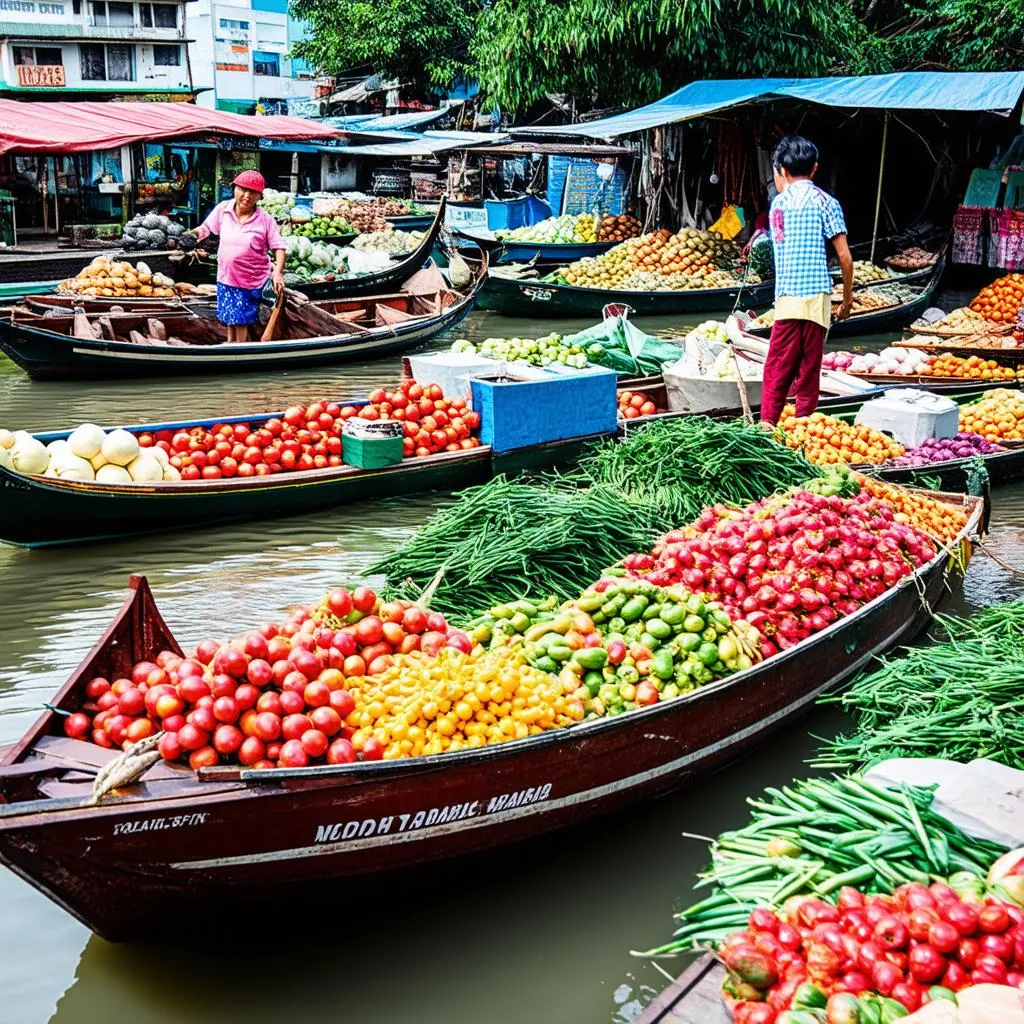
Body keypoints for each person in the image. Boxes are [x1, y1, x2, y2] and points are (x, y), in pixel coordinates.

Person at [759, 135, 853, 426]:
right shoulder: (826, 202)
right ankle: (805, 428)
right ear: (814, 168)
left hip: (787, 298)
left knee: (777, 368)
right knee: (809, 370)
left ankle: (766, 426)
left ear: (782, 171)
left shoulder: (778, 205)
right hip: (816, 299)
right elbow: (845, 259)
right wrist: (847, 299)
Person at [193, 170, 286, 342]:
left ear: (259, 196)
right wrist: (191, 236)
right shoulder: (223, 210)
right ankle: (230, 343)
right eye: (243, 189)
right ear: (234, 189)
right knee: (229, 316)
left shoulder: (265, 220)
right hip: (226, 276)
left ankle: (239, 349)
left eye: (253, 192)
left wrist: (277, 273)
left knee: (241, 320)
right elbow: (205, 229)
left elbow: (279, 247)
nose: (247, 195)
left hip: (250, 280)